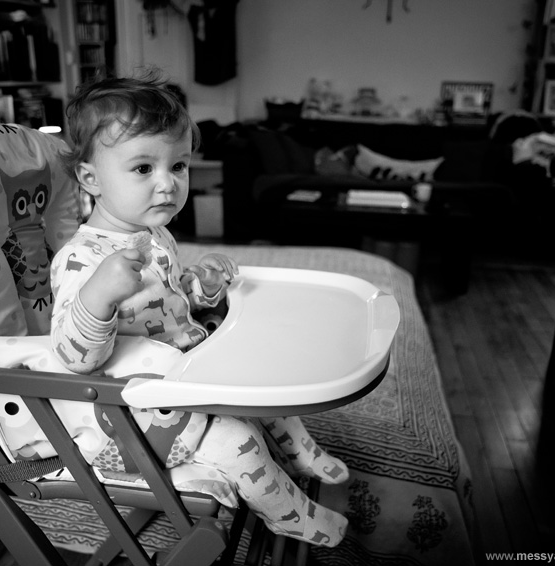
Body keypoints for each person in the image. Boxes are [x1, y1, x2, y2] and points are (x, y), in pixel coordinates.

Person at [50, 71, 349, 547]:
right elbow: (73, 358)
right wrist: (98, 296)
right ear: (91, 179)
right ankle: (285, 510)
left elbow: (168, 301)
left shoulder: (155, 235)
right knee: (236, 437)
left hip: (186, 373)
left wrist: (201, 286)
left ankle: (301, 452)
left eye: (179, 166)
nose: (168, 184)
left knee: (258, 380)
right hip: (134, 411)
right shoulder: (80, 260)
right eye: (144, 168)